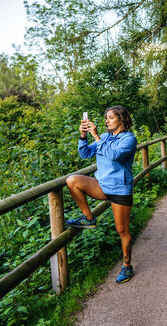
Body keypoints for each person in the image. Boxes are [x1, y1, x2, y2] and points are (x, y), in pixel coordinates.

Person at [65, 105, 138, 283]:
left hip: (120, 189)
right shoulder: (105, 137)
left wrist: (97, 136)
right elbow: (84, 153)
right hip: (101, 185)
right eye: (106, 117)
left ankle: (127, 266)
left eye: (110, 117)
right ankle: (88, 218)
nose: (106, 120)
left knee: (122, 230)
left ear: (122, 119)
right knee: (72, 180)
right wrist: (83, 136)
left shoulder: (129, 139)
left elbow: (113, 155)